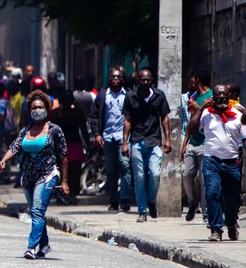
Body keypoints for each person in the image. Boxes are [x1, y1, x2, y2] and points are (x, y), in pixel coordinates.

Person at [0, 89, 68, 259]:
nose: (37, 110)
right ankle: (44, 245)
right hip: (28, 177)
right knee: (37, 212)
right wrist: (4, 160)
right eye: (34, 108)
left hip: (47, 175)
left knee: (37, 210)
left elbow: (64, 156)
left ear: (47, 109)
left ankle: (31, 247)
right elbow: (15, 147)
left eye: (40, 107)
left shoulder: (55, 130)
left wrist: (65, 181)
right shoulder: (26, 131)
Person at [186, 85, 245, 242]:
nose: (221, 97)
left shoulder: (238, 115)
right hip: (212, 161)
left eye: (224, 94)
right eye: (218, 94)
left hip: (232, 162)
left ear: (229, 96)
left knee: (232, 199)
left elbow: (245, 139)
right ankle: (216, 229)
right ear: (213, 97)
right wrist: (200, 109)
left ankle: (231, 224)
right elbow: (192, 130)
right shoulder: (206, 114)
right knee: (212, 193)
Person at [121, 68, 172, 222]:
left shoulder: (159, 96)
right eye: (142, 80)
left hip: (154, 140)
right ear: (138, 81)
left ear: (151, 80)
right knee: (139, 177)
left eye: (147, 80)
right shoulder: (131, 97)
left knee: (155, 174)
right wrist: (124, 143)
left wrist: (168, 139)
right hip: (137, 139)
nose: (145, 82)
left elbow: (164, 117)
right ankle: (142, 211)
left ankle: (151, 200)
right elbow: (127, 120)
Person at [91, 67, 132, 212]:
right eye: (113, 76)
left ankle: (125, 200)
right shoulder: (102, 95)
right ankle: (113, 201)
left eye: (118, 77)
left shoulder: (128, 95)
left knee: (125, 166)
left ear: (123, 79)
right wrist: (97, 134)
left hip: (123, 136)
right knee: (111, 170)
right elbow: (94, 115)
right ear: (109, 78)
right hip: (107, 136)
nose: (115, 79)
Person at [182, 69, 213, 222]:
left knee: (203, 179)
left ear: (198, 80)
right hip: (193, 143)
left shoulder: (211, 96)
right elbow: (191, 122)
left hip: (205, 142)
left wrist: (197, 108)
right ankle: (192, 203)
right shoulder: (194, 97)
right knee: (186, 174)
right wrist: (185, 143)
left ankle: (206, 213)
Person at [52, 90, 90, 202]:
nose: (67, 102)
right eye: (65, 100)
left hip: (75, 145)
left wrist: (88, 144)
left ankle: (72, 193)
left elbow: (84, 130)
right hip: (61, 146)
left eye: (68, 100)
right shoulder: (56, 114)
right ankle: (61, 194)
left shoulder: (78, 113)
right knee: (61, 171)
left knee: (75, 171)